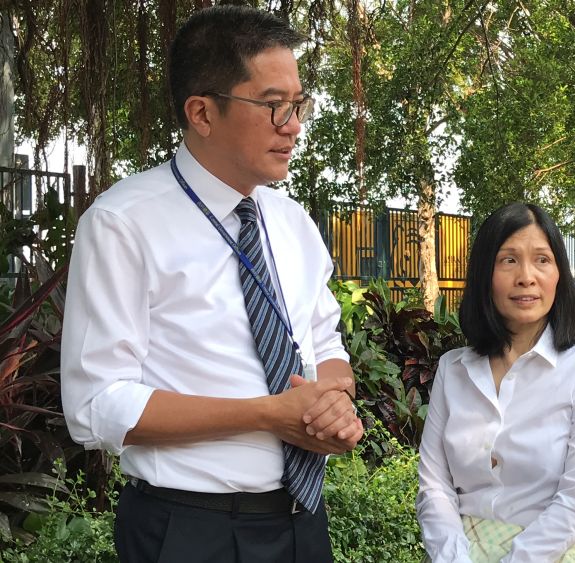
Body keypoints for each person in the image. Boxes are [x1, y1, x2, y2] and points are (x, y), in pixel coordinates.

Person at [60, 6, 363, 562]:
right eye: (273, 105)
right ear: (202, 111)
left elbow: (325, 346)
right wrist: (266, 413)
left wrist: (334, 404)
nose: (293, 125)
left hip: (301, 523)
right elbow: (97, 404)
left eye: (298, 105)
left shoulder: (293, 223)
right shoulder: (124, 224)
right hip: (187, 529)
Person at [416, 203, 575, 562]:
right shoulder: (453, 369)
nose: (526, 276)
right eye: (509, 260)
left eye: (542, 260)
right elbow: (434, 486)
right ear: (485, 274)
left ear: (559, 273)